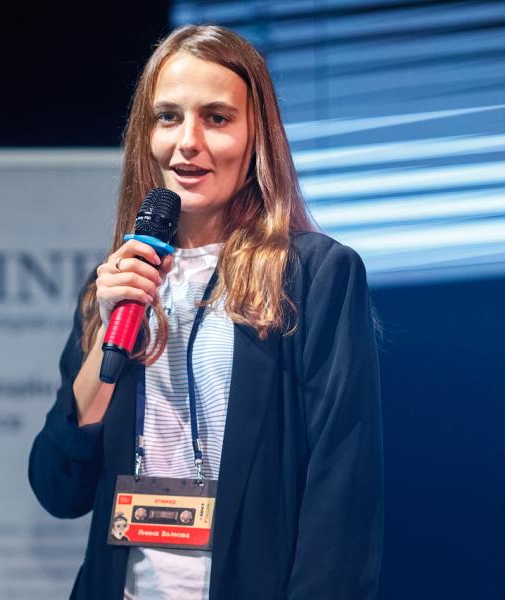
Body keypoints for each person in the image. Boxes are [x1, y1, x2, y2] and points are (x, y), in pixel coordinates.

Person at [28, 24, 383, 600]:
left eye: (216, 118)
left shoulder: (315, 274)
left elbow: (341, 493)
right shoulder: (116, 282)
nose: (187, 141)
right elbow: (58, 487)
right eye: (168, 117)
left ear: (256, 136)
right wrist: (105, 333)